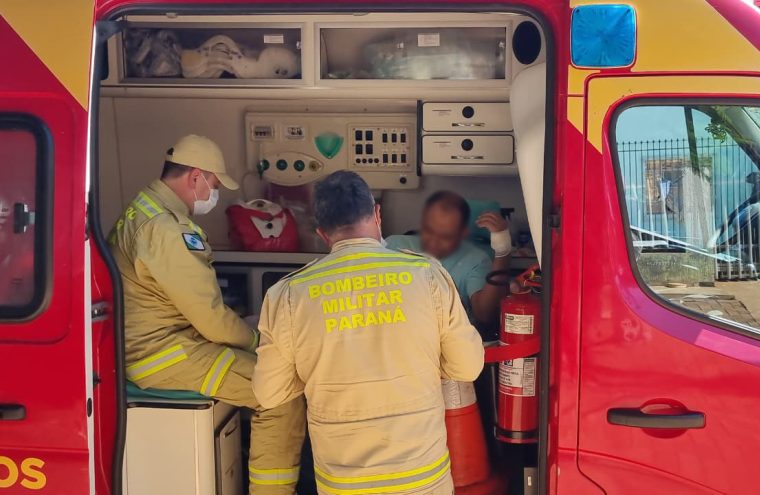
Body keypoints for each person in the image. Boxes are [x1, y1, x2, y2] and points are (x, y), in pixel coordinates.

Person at [253, 170, 484, 495]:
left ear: (322, 233)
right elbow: (468, 367)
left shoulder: (288, 295)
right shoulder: (427, 275)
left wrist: (312, 372)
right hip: (422, 478)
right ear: (377, 214)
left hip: (343, 484)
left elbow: (269, 393)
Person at [109, 134, 304, 495]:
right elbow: (211, 319)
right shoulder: (166, 229)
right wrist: (260, 341)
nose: (214, 194)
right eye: (213, 185)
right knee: (282, 392)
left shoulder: (140, 211)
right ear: (195, 176)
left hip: (153, 349)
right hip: (165, 355)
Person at [385, 191, 512, 326]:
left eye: (445, 236)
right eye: (429, 230)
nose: (434, 241)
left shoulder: (475, 260)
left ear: (462, 233)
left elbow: (484, 315)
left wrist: (502, 251)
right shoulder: (394, 246)